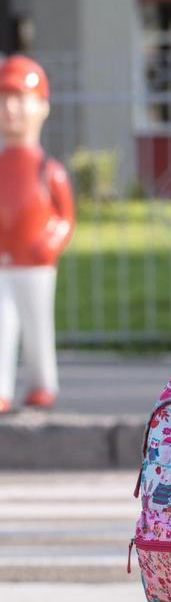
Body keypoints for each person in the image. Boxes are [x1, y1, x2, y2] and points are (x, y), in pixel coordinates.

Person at [0, 55, 75, 414]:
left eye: (20, 98)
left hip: (36, 265)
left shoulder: (49, 169)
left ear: (41, 107)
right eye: (3, 100)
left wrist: (51, 241)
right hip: (3, 262)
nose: (10, 109)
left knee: (36, 326)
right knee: (2, 326)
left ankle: (43, 383)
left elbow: (65, 217)